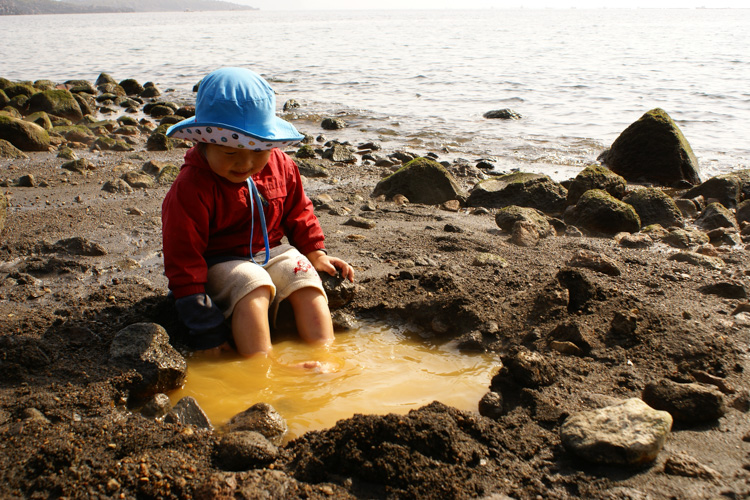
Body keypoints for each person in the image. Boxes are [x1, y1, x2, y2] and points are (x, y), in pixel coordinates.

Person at [161, 67, 354, 358]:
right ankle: (259, 367)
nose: (245, 163)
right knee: (253, 285)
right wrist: (206, 330)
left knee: (304, 278)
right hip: (220, 262)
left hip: (272, 251)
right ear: (202, 143)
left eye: (258, 151)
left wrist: (316, 253)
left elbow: (300, 211)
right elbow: (183, 259)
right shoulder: (191, 187)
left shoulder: (282, 165)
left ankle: (324, 357)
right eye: (230, 153)